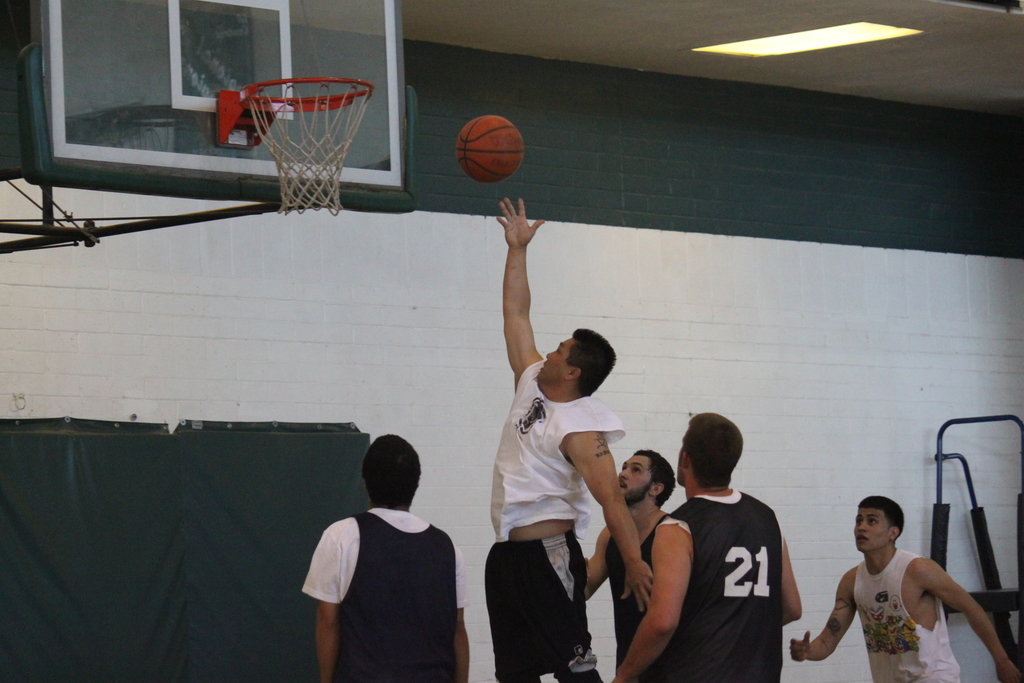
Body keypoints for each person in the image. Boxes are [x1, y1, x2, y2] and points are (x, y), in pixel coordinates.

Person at [486, 197, 654, 683]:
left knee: (576, 673)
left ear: (573, 372)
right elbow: (516, 313)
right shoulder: (531, 380)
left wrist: (635, 562)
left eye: (560, 351)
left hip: (549, 556)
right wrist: (517, 249)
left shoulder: (581, 428)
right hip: (507, 556)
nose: (550, 353)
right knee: (513, 675)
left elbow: (612, 501)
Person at [613, 413, 803, 683]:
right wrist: (736, 630)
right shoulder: (767, 518)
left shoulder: (678, 527)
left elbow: (663, 621)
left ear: (685, 458)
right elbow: (792, 608)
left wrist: (624, 674)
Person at [790, 495, 1021, 683]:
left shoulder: (918, 569)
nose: (861, 527)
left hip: (933, 676)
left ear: (893, 533)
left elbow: (972, 608)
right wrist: (807, 651)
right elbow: (827, 641)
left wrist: (1001, 660)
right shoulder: (851, 582)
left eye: (871, 521)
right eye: (858, 520)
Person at [302, 434, 470, 683]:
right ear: (416, 484)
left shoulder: (341, 536)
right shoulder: (448, 548)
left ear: (365, 481)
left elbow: (328, 620)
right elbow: (458, 631)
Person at [585, 450, 676, 678]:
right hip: (628, 663)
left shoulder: (672, 534)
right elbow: (583, 590)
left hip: (673, 666)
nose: (623, 474)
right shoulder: (609, 535)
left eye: (635, 470)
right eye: (624, 467)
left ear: (656, 489)